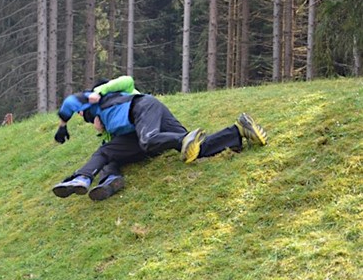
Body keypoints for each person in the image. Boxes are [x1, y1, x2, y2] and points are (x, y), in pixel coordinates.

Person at [52, 76, 268, 201]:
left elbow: (125, 80)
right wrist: (102, 133)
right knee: (192, 149)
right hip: (147, 124)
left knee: (149, 139)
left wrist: (97, 92)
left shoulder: (112, 96)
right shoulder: (109, 125)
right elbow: (112, 149)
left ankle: (180, 140)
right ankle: (238, 131)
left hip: (146, 109)